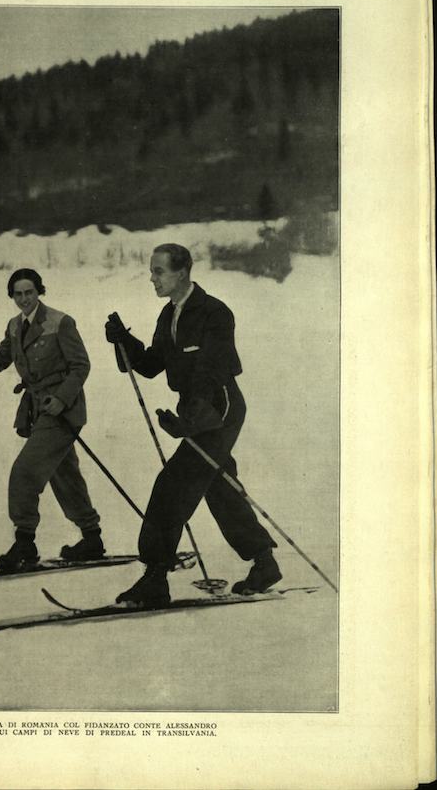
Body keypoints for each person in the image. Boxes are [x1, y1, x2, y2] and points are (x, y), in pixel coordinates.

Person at [105, 243, 280, 606]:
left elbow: (211, 372)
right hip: (196, 413)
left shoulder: (214, 313)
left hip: (220, 409)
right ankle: (264, 563)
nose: (152, 278)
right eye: (152, 270)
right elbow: (153, 364)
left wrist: (190, 421)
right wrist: (125, 342)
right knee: (220, 485)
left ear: (182, 272)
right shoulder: (168, 315)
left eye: (158, 271)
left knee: (173, 484)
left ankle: (155, 578)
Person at [0, 268, 105, 571]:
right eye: (18, 294)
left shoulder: (60, 322)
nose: (24, 299)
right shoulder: (14, 326)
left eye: (29, 292)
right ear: (12, 296)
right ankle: (92, 538)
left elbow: (80, 366)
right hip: (37, 411)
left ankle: (25, 543)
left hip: (63, 411)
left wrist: (61, 399)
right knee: (65, 475)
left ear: (39, 292)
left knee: (24, 472)